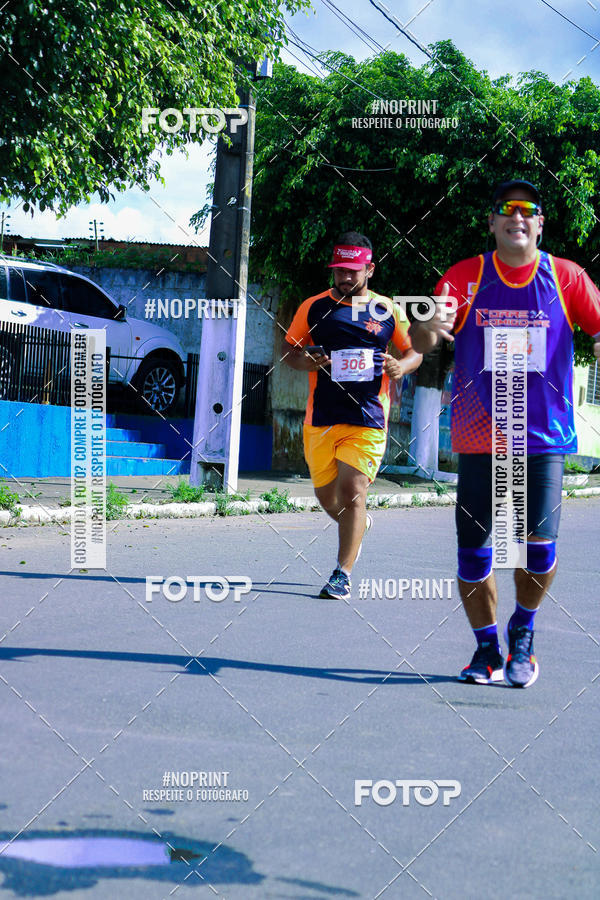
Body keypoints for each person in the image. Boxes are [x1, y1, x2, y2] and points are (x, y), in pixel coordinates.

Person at [409, 180, 600, 687]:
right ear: (492, 222)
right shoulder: (464, 276)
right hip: (480, 436)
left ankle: (524, 629)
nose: (518, 217)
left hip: (542, 438)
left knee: (538, 548)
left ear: (540, 223)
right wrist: (433, 325)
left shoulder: (567, 277)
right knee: (474, 553)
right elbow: (421, 338)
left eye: (528, 210)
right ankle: (486, 649)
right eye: (506, 210)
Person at [283, 231, 422, 599]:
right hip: (321, 418)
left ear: (370, 269)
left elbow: (414, 352)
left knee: (352, 492)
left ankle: (342, 573)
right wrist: (305, 360)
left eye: (352, 271)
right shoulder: (313, 307)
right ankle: (359, 523)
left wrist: (401, 367)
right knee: (328, 499)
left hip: (369, 417)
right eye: (339, 271)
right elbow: (289, 351)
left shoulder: (389, 310)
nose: (344, 278)